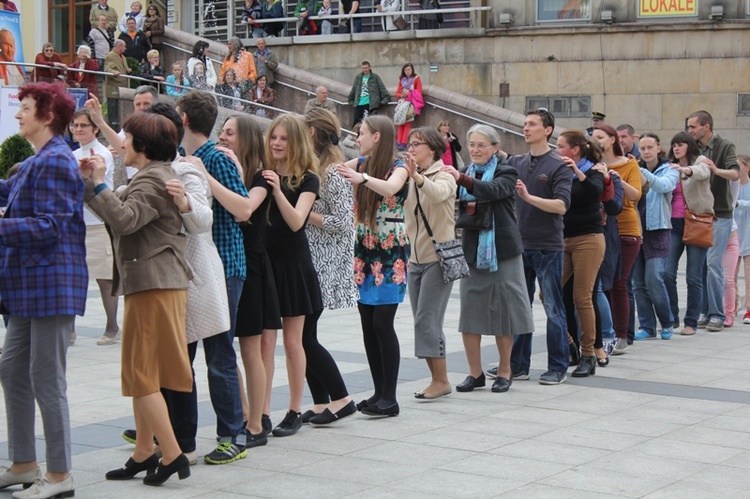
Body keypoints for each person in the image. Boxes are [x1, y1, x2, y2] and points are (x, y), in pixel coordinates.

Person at [81, 112, 193, 487]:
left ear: (142, 145)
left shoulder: (153, 180)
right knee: (143, 371)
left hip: (154, 285)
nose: (121, 144)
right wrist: (91, 185)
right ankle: (143, 452)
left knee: (141, 374)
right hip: (153, 283)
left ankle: (173, 453)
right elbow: (120, 215)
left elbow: (125, 220)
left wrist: (97, 185)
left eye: (126, 137)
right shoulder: (153, 176)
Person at [0, 82, 85, 499]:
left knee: (46, 379)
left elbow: (49, 226)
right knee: (13, 371)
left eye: (26, 108)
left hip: (50, 283)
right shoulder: (41, 160)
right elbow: (14, 196)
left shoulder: (54, 161)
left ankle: (59, 475)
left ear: (47, 116)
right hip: (28, 287)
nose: (18, 115)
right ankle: (23, 463)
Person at [174, 91, 249, 464]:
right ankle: (179, 437)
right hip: (197, 267)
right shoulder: (185, 159)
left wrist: (205, 176)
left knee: (219, 355)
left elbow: (243, 210)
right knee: (185, 355)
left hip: (224, 265)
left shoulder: (214, 159)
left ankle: (233, 434)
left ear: (184, 118)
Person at [443, 124, 534, 393]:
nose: (475, 150)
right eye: (472, 144)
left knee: (503, 314)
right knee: (470, 313)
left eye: (482, 145)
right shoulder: (464, 173)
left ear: (495, 147)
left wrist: (463, 180)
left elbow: (493, 190)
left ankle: (505, 371)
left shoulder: (507, 171)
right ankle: (475, 373)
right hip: (472, 252)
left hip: (501, 252)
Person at [208, 114, 280, 443]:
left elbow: (245, 208)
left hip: (250, 265)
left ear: (246, 138)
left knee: (250, 347)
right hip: (228, 264)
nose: (222, 138)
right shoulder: (221, 167)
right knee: (224, 348)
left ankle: (257, 422)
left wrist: (211, 177)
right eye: (221, 132)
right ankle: (244, 411)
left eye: (230, 133)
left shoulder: (262, 176)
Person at [337, 115, 409, 417]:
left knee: (382, 322)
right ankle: (379, 392)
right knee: (368, 323)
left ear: (378, 136)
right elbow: (334, 172)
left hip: (390, 251)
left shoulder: (399, 166)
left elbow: (391, 188)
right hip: (364, 250)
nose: (358, 138)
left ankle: (390, 397)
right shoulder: (362, 163)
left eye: (362, 134)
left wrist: (362, 178)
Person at [260, 115, 323, 436]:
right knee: (265, 342)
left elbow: (298, 221)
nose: (277, 143)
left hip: (294, 266)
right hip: (266, 265)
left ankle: (295, 409)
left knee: (293, 341)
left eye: (284, 138)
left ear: (296, 141)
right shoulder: (261, 173)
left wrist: (277, 190)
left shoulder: (308, 179)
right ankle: (263, 411)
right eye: (274, 137)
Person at [501, 109, 572, 385]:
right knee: (520, 307)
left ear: (548, 130)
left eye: (532, 124)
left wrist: (528, 197)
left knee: (554, 308)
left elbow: (561, 206)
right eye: (525, 123)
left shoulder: (559, 165)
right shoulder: (517, 162)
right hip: (520, 245)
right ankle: (518, 365)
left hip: (547, 247)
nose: (526, 128)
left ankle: (558, 366)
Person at [300, 109, 358, 424]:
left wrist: (304, 210)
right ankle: (321, 401)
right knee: (302, 335)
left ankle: (342, 398)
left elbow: (343, 222)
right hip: (310, 259)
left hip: (324, 263)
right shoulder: (314, 167)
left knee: (304, 337)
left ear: (311, 133)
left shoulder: (333, 172)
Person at [401, 127, 457, 398]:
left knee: (428, 319)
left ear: (432, 149)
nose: (411, 148)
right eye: (410, 144)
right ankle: (437, 379)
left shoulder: (444, 174)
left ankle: (441, 380)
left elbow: (438, 193)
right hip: (415, 258)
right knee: (422, 321)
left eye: (417, 144)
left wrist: (416, 178)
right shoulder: (414, 176)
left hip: (438, 258)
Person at [556, 130, 605, 376]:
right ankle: (570, 343)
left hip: (589, 239)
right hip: (563, 240)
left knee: (582, 297)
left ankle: (589, 354)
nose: (557, 150)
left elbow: (593, 192)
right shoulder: (558, 171)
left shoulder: (594, 171)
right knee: (549, 293)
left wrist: (576, 170)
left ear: (574, 150)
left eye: (561, 146)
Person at [687, 110, 740, 332]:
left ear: (706, 127)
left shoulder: (724, 145)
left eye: (693, 127)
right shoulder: (693, 148)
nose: (690, 131)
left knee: (713, 264)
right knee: (700, 266)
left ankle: (718, 314)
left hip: (720, 213)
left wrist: (716, 170)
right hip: (698, 214)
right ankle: (706, 311)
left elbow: (735, 174)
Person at [71, 109, 120, 346]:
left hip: (100, 223)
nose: (78, 129)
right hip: (78, 224)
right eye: (75, 125)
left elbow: (94, 182)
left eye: (83, 125)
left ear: (95, 129)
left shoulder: (103, 154)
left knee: (104, 278)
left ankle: (112, 327)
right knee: (73, 277)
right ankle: (69, 329)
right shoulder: (71, 155)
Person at [591, 125, 641, 355]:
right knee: (603, 283)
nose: (596, 140)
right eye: (593, 137)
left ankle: (622, 335)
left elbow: (636, 195)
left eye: (600, 137)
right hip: (601, 228)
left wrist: (616, 178)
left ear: (612, 140)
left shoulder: (628, 163)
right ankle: (604, 331)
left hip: (626, 229)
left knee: (620, 282)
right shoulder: (592, 163)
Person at [664, 132, 713, 337]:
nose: (676, 148)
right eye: (674, 145)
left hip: (696, 222)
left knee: (693, 276)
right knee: (666, 272)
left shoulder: (700, 161)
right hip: (673, 224)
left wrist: (685, 169)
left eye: (681, 144)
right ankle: (672, 317)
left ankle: (690, 321)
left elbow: (703, 172)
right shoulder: (668, 167)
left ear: (689, 146)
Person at [632, 133, 678, 340]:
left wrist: (640, 171)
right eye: (642, 148)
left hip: (658, 230)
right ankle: (647, 326)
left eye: (650, 147)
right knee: (638, 282)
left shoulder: (670, 169)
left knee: (654, 278)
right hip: (636, 230)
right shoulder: (635, 168)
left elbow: (663, 186)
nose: (646, 152)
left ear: (659, 148)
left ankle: (667, 322)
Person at [347, 61, 389, 128]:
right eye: (363, 68)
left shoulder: (375, 77)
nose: (364, 70)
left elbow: (382, 89)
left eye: (366, 68)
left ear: (369, 67)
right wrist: (351, 101)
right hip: (359, 104)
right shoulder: (358, 77)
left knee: (367, 124)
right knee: (356, 124)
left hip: (370, 105)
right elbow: (354, 89)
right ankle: (356, 136)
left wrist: (382, 102)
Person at [735, 155, 750, 325]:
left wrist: (739, 203)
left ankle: (749, 308)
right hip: (733, 233)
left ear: (747, 167)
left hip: (748, 233)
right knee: (730, 275)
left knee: (748, 275)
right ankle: (733, 304)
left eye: (739, 166)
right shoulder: (732, 185)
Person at [103, 40, 132, 130]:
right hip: (113, 88)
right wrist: (113, 72)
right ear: (119, 46)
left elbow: (124, 68)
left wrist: (127, 70)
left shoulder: (123, 57)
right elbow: (107, 68)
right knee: (113, 113)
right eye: (124, 46)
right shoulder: (111, 55)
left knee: (119, 111)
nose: (125, 48)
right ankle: (112, 130)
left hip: (122, 88)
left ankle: (119, 129)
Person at [395, 63, 424, 150]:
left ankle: (404, 142)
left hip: (410, 103)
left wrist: (409, 93)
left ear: (412, 70)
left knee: (407, 122)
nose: (407, 72)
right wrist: (402, 95)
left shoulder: (416, 79)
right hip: (402, 102)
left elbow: (419, 92)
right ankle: (398, 142)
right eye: (406, 70)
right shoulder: (402, 80)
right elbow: (397, 93)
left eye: (409, 70)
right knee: (400, 122)